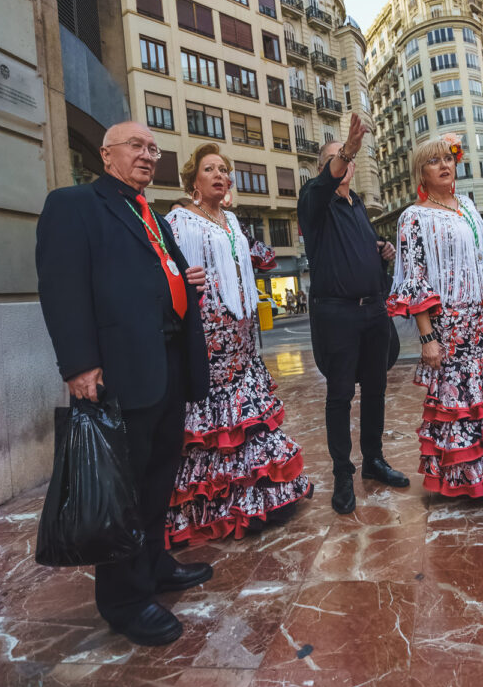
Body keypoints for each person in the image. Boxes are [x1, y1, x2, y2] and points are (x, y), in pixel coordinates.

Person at [36, 121, 212, 646]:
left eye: (153, 148)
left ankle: (155, 564)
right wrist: (78, 364)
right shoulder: (75, 205)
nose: (147, 155)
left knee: (158, 478)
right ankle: (124, 602)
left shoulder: (152, 215)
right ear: (106, 154)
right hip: (119, 370)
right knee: (124, 488)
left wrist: (183, 284)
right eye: (136, 146)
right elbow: (62, 288)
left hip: (167, 366)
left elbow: (153, 280)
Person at [165, 144, 312, 544]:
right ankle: (218, 507)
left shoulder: (230, 219)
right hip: (208, 338)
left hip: (243, 338)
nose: (220, 175)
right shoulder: (178, 220)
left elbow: (259, 258)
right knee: (215, 426)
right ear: (193, 179)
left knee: (247, 422)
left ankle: (258, 498)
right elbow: (166, 270)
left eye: (225, 170)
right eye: (210, 169)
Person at [388, 133, 483, 496]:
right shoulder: (413, 217)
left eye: (448, 158)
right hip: (449, 326)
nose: (443, 165)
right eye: (433, 161)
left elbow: (482, 263)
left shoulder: (468, 208)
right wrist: (427, 338)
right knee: (462, 402)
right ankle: (473, 478)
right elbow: (416, 279)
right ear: (420, 174)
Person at [297, 113, 409, 514]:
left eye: (346, 161)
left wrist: (381, 254)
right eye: (335, 160)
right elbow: (326, 181)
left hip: (373, 314)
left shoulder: (358, 205)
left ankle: (373, 460)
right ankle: (343, 473)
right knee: (340, 395)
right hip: (337, 316)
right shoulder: (314, 200)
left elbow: (358, 254)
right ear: (326, 168)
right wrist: (345, 148)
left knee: (376, 390)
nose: (342, 166)